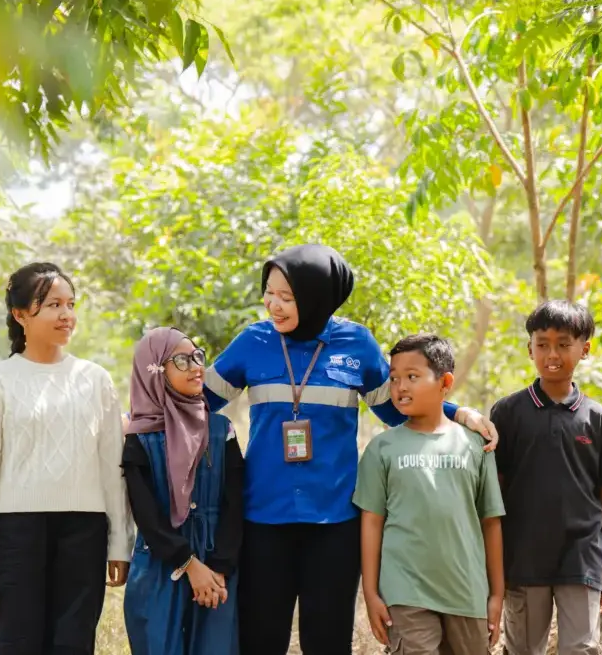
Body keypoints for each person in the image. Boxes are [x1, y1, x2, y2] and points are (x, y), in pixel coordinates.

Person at [202, 243, 498, 655]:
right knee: (259, 638)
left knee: (327, 641)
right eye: (269, 292)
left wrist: (459, 412)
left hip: (336, 522)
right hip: (263, 518)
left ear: (317, 296)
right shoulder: (253, 341)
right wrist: (141, 417)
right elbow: (196, 401)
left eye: (287, 297)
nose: (274, 304)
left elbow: (397, 409)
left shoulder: (356, 344)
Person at [0, 262, 134, 655]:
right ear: (20, 315)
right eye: (52, 305)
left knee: (74, 643)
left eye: (70, 304)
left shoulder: (95, 379)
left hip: (85, 531)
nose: (66, 315)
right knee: (17, 642)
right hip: (18, 532)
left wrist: (120, 541)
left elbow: (112, 468)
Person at [354, 334, 506, 655]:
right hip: (405, 592)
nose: (400, 387)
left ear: (445, 382)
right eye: (394, 378)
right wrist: (371, 594)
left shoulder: (475, 445)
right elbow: (371, 523)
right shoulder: (382, 449)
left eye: (412, 377)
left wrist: (496, 594)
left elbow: (490, 522)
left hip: (466, 592)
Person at [491, 300, 602, 655]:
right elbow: (494, 495)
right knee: (522, 650)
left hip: (582, 559)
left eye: (564, 344)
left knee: (582, 648)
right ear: (529, 347)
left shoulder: (597, 419)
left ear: (585, 349)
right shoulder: (508, 413)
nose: (552, 353)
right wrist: (494, 571)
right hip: (523, 560)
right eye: (543, 344)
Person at [122, 327, 244, 655]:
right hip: (161, 566)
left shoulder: (221, 430)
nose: (195, 366)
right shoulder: (139, 438)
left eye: (197, 356)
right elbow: (146, 513)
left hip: (218, 567)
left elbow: (236, 503)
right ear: (155, 370)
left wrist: (218, 568)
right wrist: (189, 565)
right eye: (181, 360)